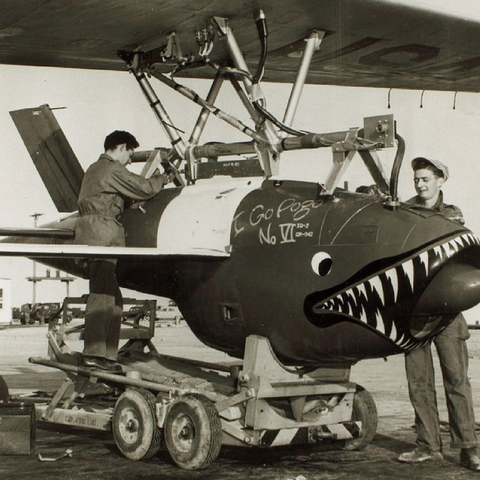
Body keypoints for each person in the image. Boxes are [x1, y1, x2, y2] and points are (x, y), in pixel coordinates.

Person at [398, 157, 480, 471]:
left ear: (440, 180)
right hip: (414, 315)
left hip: (448, 314)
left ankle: (468, 448)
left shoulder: (452, 215)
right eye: (416, 179)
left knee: (457, 381)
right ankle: (428, 445)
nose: (419, 184)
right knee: (419, 383)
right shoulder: (403, 213)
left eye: (426, 179)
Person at [75, 130, 170, 372]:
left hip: (94, 232)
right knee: (103, 296)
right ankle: (94, 355)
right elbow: (145, 188)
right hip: (102, 234)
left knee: (112, 297)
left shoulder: (95, 169)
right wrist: (163, 178)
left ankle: (105, 356)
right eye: (130, 153)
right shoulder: (111, 169)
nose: (130, 160)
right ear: (121, 148)